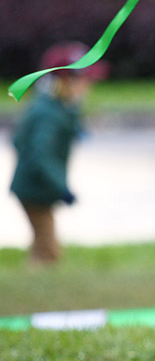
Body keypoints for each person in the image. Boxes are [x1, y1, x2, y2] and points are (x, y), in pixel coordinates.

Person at [10, 41, 108, 266]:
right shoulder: (48, 114)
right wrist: (61, 188)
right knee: (48, 251)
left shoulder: (55, 108)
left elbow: (18, 139)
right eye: (84, 81)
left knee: (44, 243)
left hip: (35, 190)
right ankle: (35, 285)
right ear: (64, 82)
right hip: (35, 191)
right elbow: (39, 155)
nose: (88, 87)